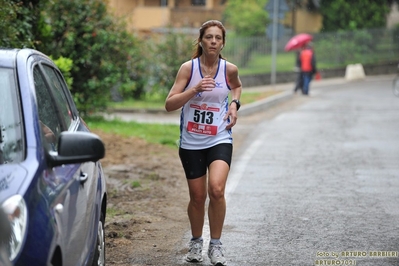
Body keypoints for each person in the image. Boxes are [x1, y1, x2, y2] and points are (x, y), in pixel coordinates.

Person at [165, 20, 242, 266]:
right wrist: (194, 89)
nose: (213, 42)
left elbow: (237, 87)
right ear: (201, 41)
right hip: (191, 141)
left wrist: (234, 104)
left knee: (216, 190)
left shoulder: (228, 70)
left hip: (219, 136)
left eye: (217, 38)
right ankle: (196, 241)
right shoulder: (188, 69)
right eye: (208, 37)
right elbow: (169, 104)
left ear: (222, 43)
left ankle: (216, 245)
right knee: (197, 197)